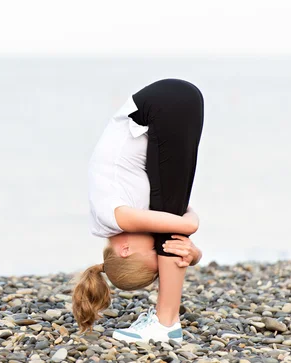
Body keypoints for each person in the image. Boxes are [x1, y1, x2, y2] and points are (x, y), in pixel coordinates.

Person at [72, 79, 205, 343]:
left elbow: (185, 224)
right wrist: (193, 253)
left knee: (170, 232)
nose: (158, 247)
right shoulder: (119, 216)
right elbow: (182, 214)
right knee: (170, 222)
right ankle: (167, 322)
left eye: (153, 252)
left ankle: (166, 324)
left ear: (125, 249)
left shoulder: (114, 216)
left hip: (162, 106)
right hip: (174, 102)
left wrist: (193, 251)